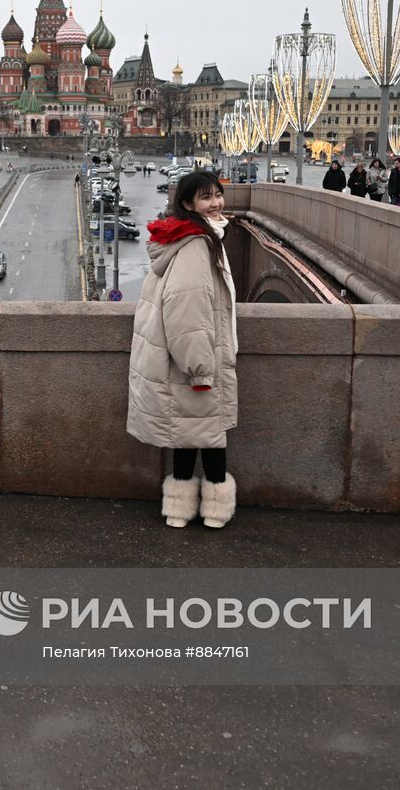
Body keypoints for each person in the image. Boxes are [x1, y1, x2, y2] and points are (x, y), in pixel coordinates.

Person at [127, 170, 239, 531]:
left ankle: (178, 509)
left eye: (218, 194)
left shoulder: (186, 236)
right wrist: (201, 368)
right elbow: (187, 313)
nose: (216, 202)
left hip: (178, 359)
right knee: (209, 434)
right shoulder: (196, 244)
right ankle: (216, 509)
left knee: (186, 434)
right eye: (206, 197)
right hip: (195, 359)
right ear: (189, 204)